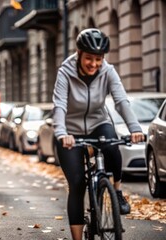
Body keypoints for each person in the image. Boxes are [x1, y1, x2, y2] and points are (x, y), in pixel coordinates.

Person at [52, 28, 144, 240]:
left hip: (98, 123)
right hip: (70, 132)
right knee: (77, 184)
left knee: (112, 146)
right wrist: (61, 133)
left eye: (98, 59)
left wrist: (135, 129)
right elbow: (59, 106)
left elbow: (121, 101)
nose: (94, 64)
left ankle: (117, 191)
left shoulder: (108, 71)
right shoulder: (65, 71)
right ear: (79, 54)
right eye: (89, 59)